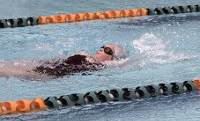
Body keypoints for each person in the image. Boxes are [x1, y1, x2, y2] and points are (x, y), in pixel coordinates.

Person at [0, 44, 128, 78]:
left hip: (48, 74)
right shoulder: (86, 54)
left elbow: (122, 64)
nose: (101, 48)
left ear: (112, 57)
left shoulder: (102, 66)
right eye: (102, 46)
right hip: (44, 65)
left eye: (106, 49)